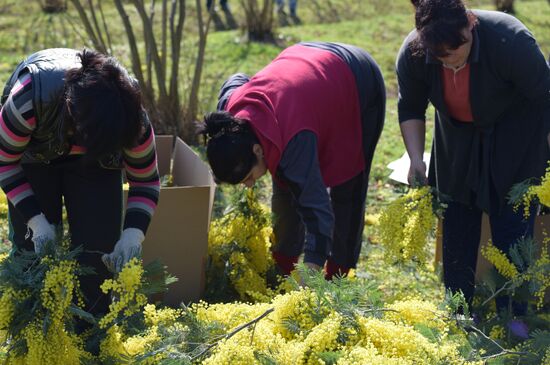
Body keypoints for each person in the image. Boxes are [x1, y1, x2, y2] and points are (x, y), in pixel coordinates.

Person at [396, 0, 550, 311]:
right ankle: (460, 311)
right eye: (440, 57)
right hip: (456, 138)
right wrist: (415, 158)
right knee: (456, 222)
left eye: (456, 51)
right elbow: (411, 106)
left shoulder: (510, 41)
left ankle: (514, 314)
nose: (450, 63)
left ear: (470, 23)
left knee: (512, 225)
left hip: (516, 136)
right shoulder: (414, 52)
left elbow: (546, 98)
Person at [200, 42, 385, 279]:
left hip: (358, 79)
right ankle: (281, 271)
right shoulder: (229, 120)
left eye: (248, 177)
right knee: (286, 187)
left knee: (347, 187)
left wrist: (310, 278)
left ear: (257, 150)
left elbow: (318, 213)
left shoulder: (293, 139)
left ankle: (338, 279)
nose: (249, 185)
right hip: (306, 78)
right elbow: (236, 78)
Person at [0, 48, 160, 316]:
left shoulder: (130, 118)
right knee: (33, 257)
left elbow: (145, 182)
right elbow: (4, 162)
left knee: (98, 255)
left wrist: (133, 234)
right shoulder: (27, 99)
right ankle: (32, 334)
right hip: (33, 156)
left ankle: (92, 338)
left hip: (96, 166)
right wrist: (36, 222)